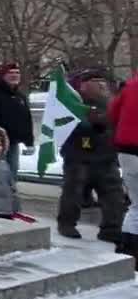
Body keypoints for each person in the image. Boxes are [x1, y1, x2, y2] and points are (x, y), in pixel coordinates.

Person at [57, 70, 126, 241]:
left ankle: (111, 228)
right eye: (96, 81)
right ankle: (67, 223)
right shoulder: (72, 103)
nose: (102, 85)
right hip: (79, 157)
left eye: (102, 81)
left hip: (106, 157)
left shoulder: (111, 103)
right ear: (83, 86)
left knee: (113, 195)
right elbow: (63, 127)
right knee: (74, 192)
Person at [109, 70, 138, 262]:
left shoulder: (131, 85)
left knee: (136, 205)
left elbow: (112, 113)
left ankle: (128, 250)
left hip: (127, 151)